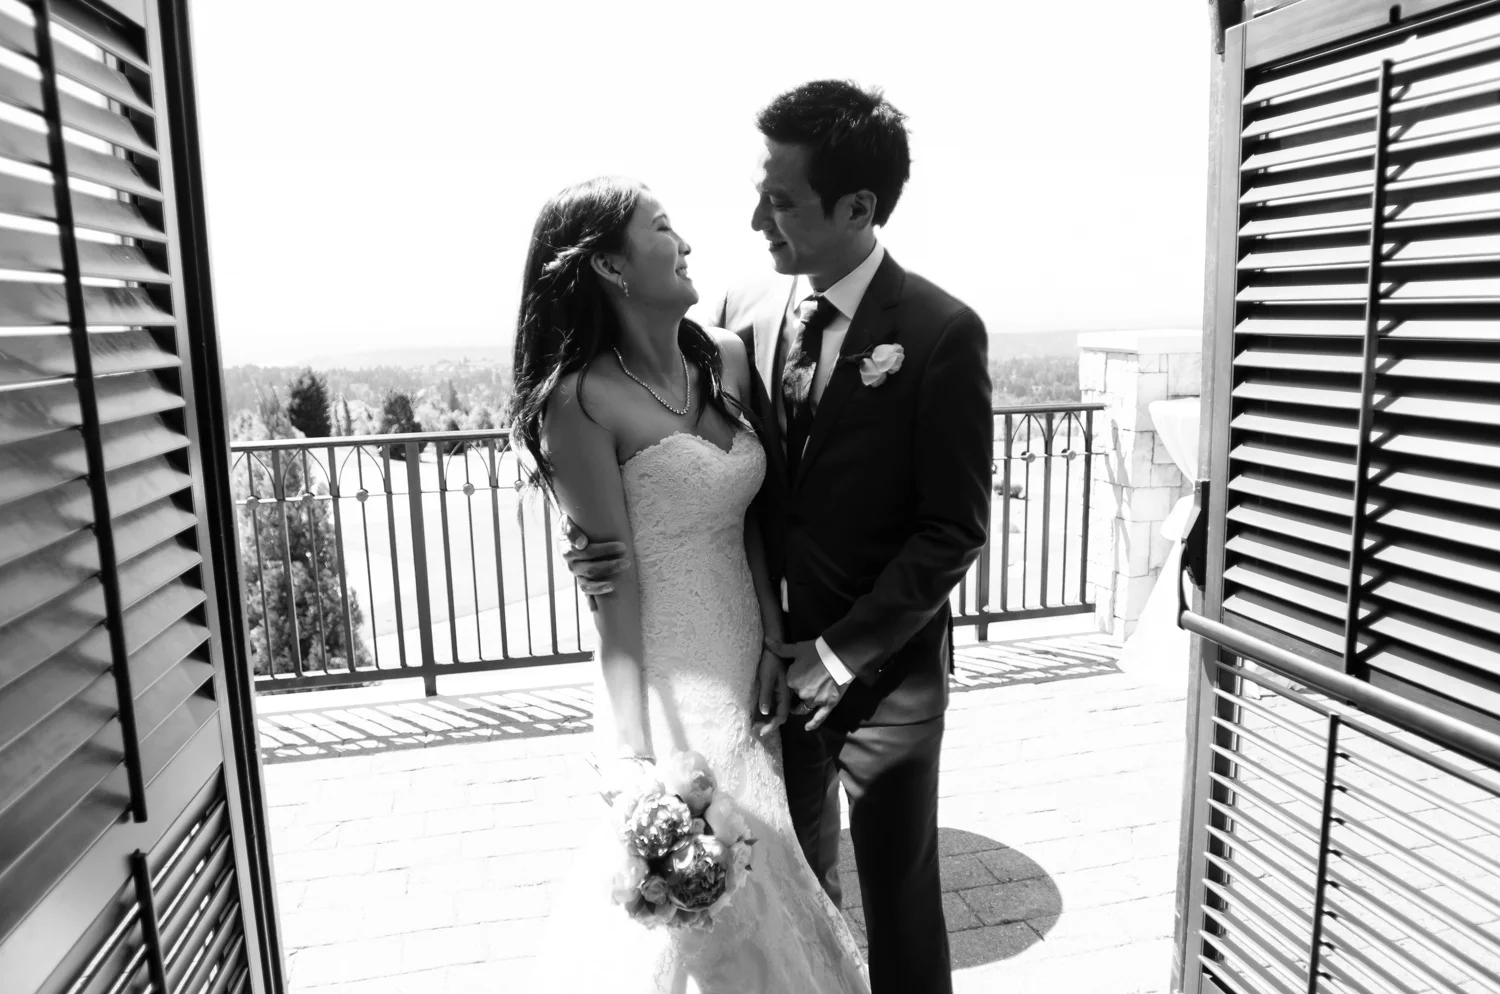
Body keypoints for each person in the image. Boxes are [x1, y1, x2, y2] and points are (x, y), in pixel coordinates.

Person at [562, 81, 994, 994]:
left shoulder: (942, 333)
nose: (757, 219)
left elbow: (953, 529)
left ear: (859, 208)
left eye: (782, 201)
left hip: (885, 677)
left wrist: (838, 655)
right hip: (757, 673)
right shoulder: (740, 312)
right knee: (793, 887)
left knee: (901, 902)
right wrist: (601, 537)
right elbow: (695, 459)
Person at [512, 175, 868, 993]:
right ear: (609, 265)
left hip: (747, 667)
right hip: (670, 681)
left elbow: (749, 518)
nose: (686, 244)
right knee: (706, 921)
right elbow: (615, 594)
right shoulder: (580, 402)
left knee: (771, 883)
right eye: (663, 228)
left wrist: (774, 638)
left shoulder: (725, 357)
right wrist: (632, 759)